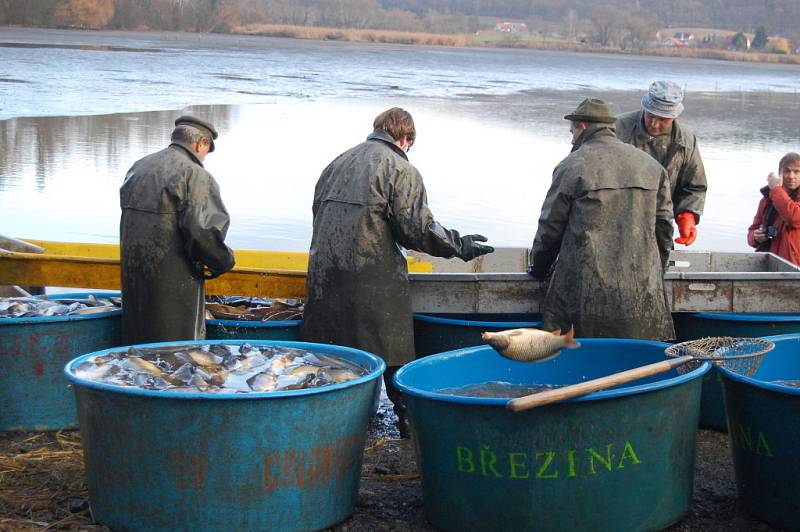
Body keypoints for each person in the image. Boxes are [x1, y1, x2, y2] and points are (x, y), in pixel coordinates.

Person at [301, 107, 495, 437]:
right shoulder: (400, 168)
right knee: (393, 351)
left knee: (330, 353)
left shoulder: (337, 162)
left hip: (324, 276)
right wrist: (459, 246)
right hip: (372, 278)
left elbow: (317, 211)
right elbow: (417, 229)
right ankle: (408, 423)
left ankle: (325, 422)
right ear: (405, 139)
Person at [529, 98, 675, 340]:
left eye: (572, 132)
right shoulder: (651, 166)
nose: (571, 139)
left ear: (583, 126)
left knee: (578, 356)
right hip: (640, 289)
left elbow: (550, 228)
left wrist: (538, 268)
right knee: (635, 357)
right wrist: (655, 271)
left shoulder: (572, 166)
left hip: (582, 290)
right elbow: (665, 227)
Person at [120, 115, 235, 345]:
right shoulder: (195, 175)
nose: (204, 158)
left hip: (135, 281)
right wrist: (223, 261)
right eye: (206, 151)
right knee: (176, 355)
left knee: (137, 352)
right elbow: (203, 234)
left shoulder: (139, 167)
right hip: (174, 288)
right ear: (200, 143)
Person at [616, 80, 707, 247]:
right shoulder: (616, 129)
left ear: (675, 116)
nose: (654, 124)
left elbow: (694, 187)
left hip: (659, 227)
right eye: (650, 115)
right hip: (614, 225)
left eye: (663, 119)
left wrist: (687, 215)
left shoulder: (686, 140)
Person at [747, 152, 800, 266]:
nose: (791, 176)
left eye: (796, 172)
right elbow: (752, 232)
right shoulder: (766, 200)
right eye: (787, 171)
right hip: (768, 265)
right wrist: (755, 237)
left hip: (794, 269)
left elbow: (793, 218)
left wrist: (776, 189)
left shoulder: (775, 193)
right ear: (779, 173)